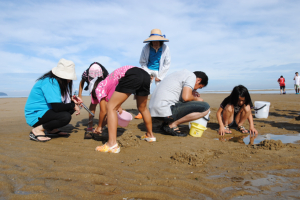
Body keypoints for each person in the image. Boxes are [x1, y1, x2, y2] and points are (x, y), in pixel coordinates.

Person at [92, 65, 155, 153]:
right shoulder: (109, 83)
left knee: (110, 107)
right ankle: (150, 135)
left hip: (133, 74)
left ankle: (112, 144)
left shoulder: (99, 87)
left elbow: (104, 110)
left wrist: (99, 126)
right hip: (145, 75)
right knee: (143, 108)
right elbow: (116, 99)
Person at [24, 58, 82, 142]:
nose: (69, 80)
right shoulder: (50, 82)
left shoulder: (54, 81)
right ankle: (37, 130)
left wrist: (73, 101)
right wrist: (73, 105)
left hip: (45, 111)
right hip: (35, 115)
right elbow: (57, 107)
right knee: (65, 117)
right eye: (68, 78)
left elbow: (59, 102)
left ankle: (51, 129)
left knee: (69, 109)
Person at [149, 69, 210, 136]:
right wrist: (196, 99)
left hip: (153, 112)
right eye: (199, 87)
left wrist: (191, 95)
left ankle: (165, 123)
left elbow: (175, 97)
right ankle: (172, 125)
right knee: (205, 107)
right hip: (164, 110)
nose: (196, 89)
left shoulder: (180, 74)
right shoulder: (191, 76)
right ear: (198, 80)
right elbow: (186, 98)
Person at [135, 28, 171, 119]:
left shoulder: (166, 48)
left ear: (160, 40)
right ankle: (142, 112)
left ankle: (160, 111)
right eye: (153, 41)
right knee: (144, 90)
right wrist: (147, 74)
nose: (155, 42)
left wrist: (160, 76)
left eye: (157, 41)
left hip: (160, 70)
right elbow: (142, 62)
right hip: (148, 69)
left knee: (161, 91)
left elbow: (167, 64)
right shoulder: (146, 48)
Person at [78, 62, 109, 139]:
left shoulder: (105, 74)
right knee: (93, 104)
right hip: (93, 88)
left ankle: (101, 125)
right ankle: (90, 124)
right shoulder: (86, 73)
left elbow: (108, 86)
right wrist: (79, 95)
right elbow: (81, 83)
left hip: (102, 89)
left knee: (105, 107)